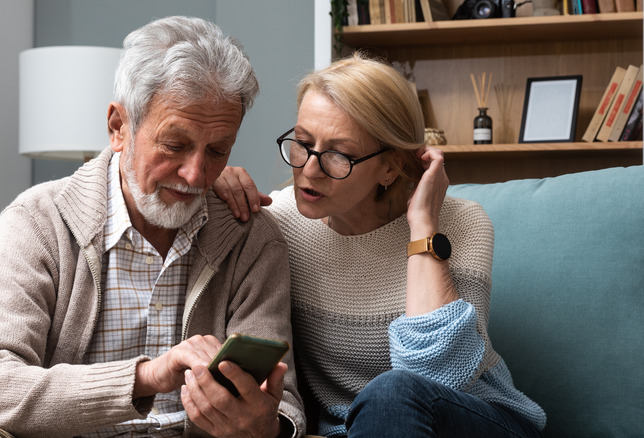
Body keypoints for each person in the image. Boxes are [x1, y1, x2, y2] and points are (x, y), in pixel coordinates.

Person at [0, 16, 304, 438]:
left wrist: (267, 425)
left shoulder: (250, 236)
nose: (196, 175)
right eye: (175, 145)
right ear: (119, 127)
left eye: (217, 150)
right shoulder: (39, 221)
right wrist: (146, 377)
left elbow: (281, 399)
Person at [213, 53, 547, 437]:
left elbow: (440, 374)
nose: (308, 169)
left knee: (391, 393)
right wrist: (216, 183)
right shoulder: (281, 224)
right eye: (303, 143)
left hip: (474, 419)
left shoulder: (462, 223)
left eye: (339, 155)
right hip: (356, 429)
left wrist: (422, 225)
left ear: (390, 168)